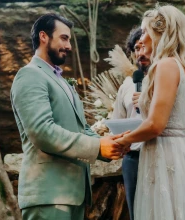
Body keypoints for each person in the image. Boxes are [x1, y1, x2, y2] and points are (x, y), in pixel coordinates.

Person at [10, 13, 126, 220]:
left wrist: (108, 145)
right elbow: (42, 132)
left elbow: (81, 129)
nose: (69, 46)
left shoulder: (62, 82)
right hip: (48, 195)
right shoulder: (30, 75)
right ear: (44, 37)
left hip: (73, 195)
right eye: (64, 38)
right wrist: (97, 147)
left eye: (69, 40)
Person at [116, 5, 185, 219]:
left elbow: (156, 125)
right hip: (183, 153)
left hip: (164, 157)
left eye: (145, 31)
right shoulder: (183, 67)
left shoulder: (165, 65)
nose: (141, 39)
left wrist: (123, 141)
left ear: (160, 33)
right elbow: (184, 126)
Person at [111, 27, 150, 220]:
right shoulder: (127, 85)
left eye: (144, 46)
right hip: (132, 159)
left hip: (161, 153)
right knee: (137, 213)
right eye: (136, 48)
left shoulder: (168, 79)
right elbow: (117, 119)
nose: (140, 53)